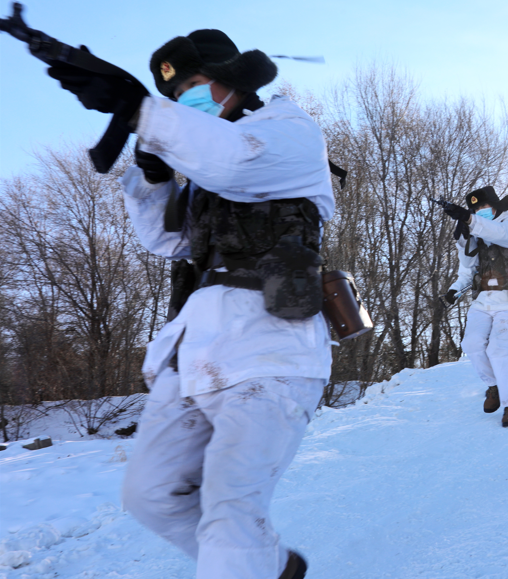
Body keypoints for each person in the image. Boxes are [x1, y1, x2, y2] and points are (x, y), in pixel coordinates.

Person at [50, 29, 335, 579]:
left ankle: (241, 564)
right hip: (196, 352)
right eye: (176, 95)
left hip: (271, 352)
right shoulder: (204, 170)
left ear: (235, 81)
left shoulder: (285, 130)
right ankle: (269, 568)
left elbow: (236, 162)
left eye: (196, 86)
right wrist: (153, 174)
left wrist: (146, 115)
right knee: (150, 496)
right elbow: (166, 241)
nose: (185, 101)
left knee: (231, 517)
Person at [441, 186, 508, 427]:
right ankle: (494, 386)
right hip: (484, 299)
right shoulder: (475, 231)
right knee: (471, 344)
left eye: (484, 207)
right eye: (476, 209)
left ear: (496, 207)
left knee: (499, 348)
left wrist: (469, 219)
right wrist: (454, 289)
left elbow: (499, 234)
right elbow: (467, 269)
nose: (481, 212)